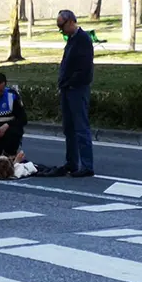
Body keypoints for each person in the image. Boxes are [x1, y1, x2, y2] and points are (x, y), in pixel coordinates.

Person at [55, 9, 94, 178]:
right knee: (69, 128)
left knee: (80, 127)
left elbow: (84, 69)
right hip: (68, 88)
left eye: (61, 26)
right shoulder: (71, 39)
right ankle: (72, 161)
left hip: (77, 89)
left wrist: (70, 82)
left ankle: (87, 165)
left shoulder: (83, 40)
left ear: (71, 21)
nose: (60, 30)